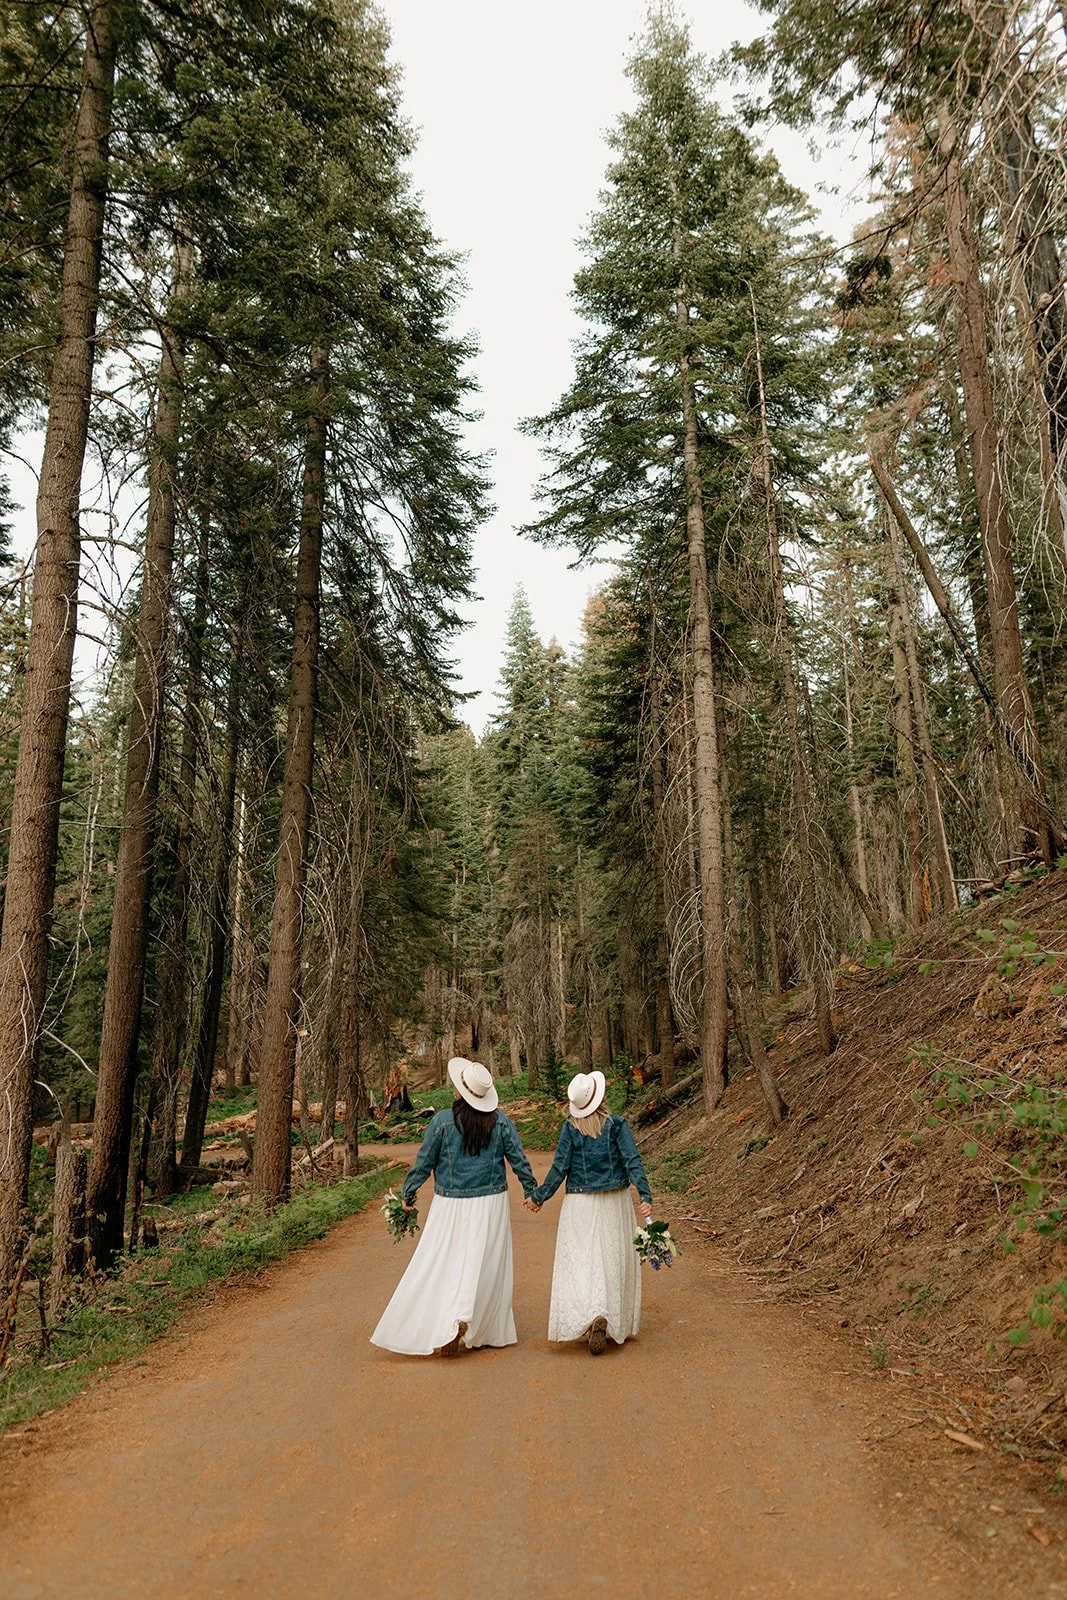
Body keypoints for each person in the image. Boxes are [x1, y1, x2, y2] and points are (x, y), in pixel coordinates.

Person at [370, 1057, 537, 1358]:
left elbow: (425, 1160)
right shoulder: (500, 1121)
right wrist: (531, 1191)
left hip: (450, 1202)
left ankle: (451, 1317)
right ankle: (476, 1323)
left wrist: (409, 1193)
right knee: (486, 1263)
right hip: (490, 1202)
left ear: (461, 1091)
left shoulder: (442, 1121)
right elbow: (518, 1159)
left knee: (443, 1260)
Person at [526, 1070, 653, 1356]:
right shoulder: (617, 1125)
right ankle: (604, 1312)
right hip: (614, 1200)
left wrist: (539, 1197)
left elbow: (560, 1168)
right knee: (610, 1259)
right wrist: (644, 1194)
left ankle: (590, 1312)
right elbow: (632, 1160)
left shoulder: (570, 1129)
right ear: (602, 1096)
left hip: (580, 1203)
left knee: (583, 1262)